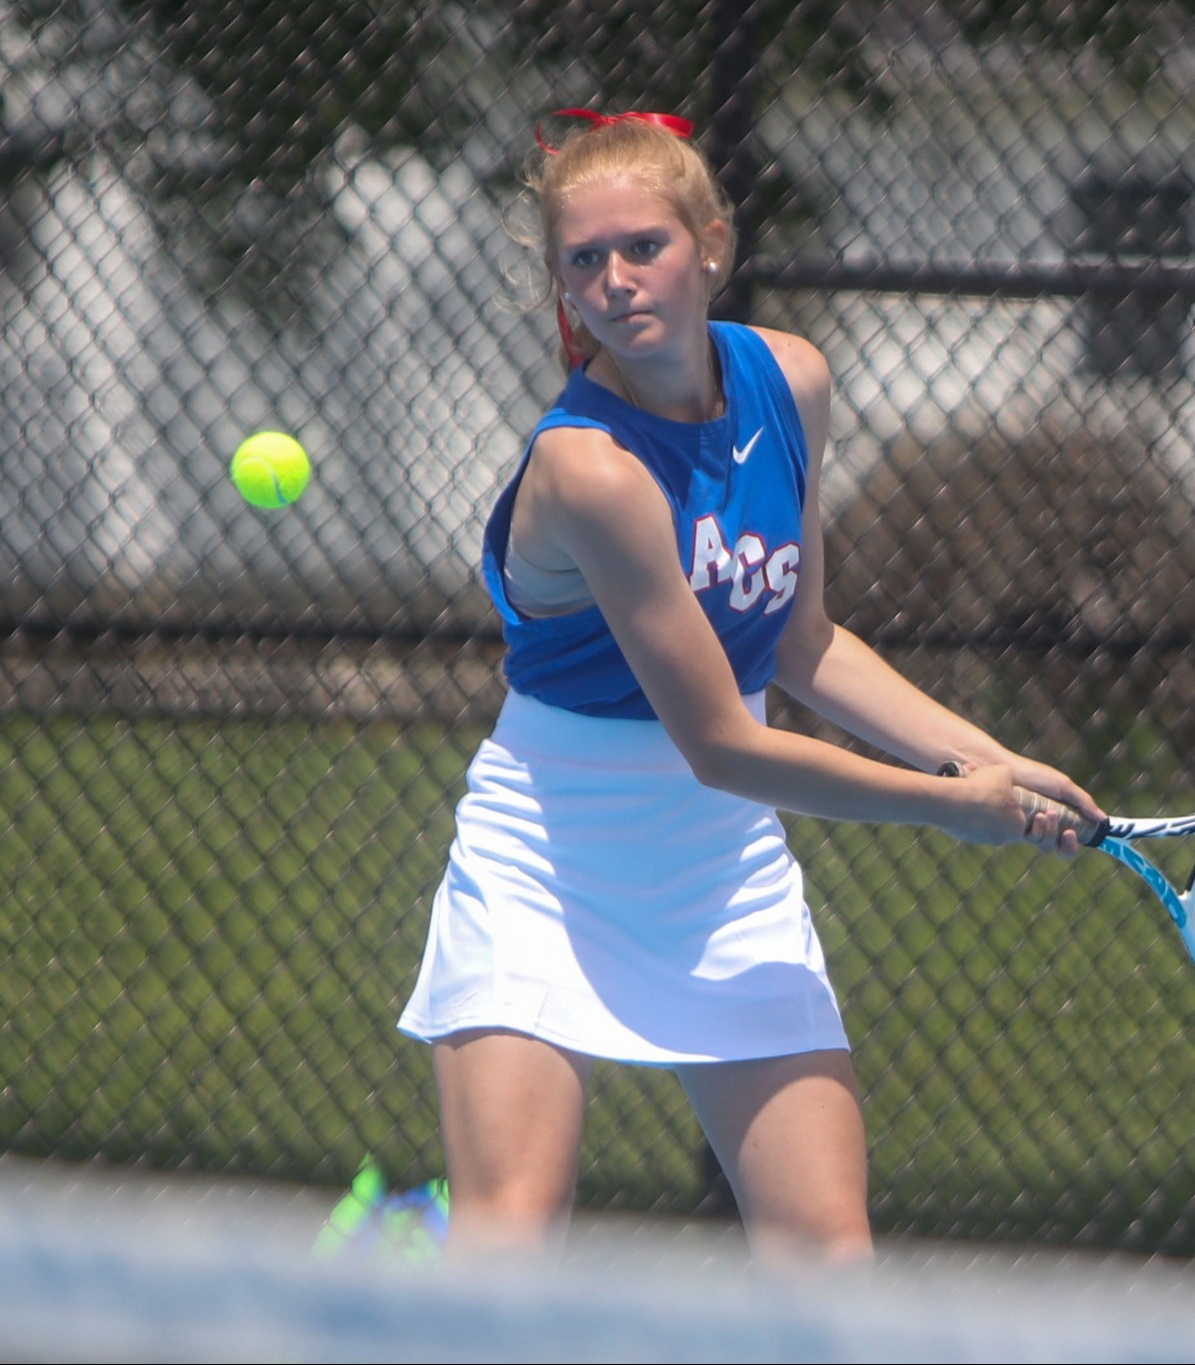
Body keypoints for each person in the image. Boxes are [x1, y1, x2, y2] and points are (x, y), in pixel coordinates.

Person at [397, 109, 1105, 1266]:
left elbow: (801, 644)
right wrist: (947, 806)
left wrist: (989, 760)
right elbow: (723, 744)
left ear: (712, 244)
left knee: (828, 1259)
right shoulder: (590, 468)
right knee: (508, 1248)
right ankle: (407, 1257)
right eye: (585, 261)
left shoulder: (791, 379)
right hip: (548, 858)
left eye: (645, 247)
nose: (617, 280)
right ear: (559, 286)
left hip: (723, 871)